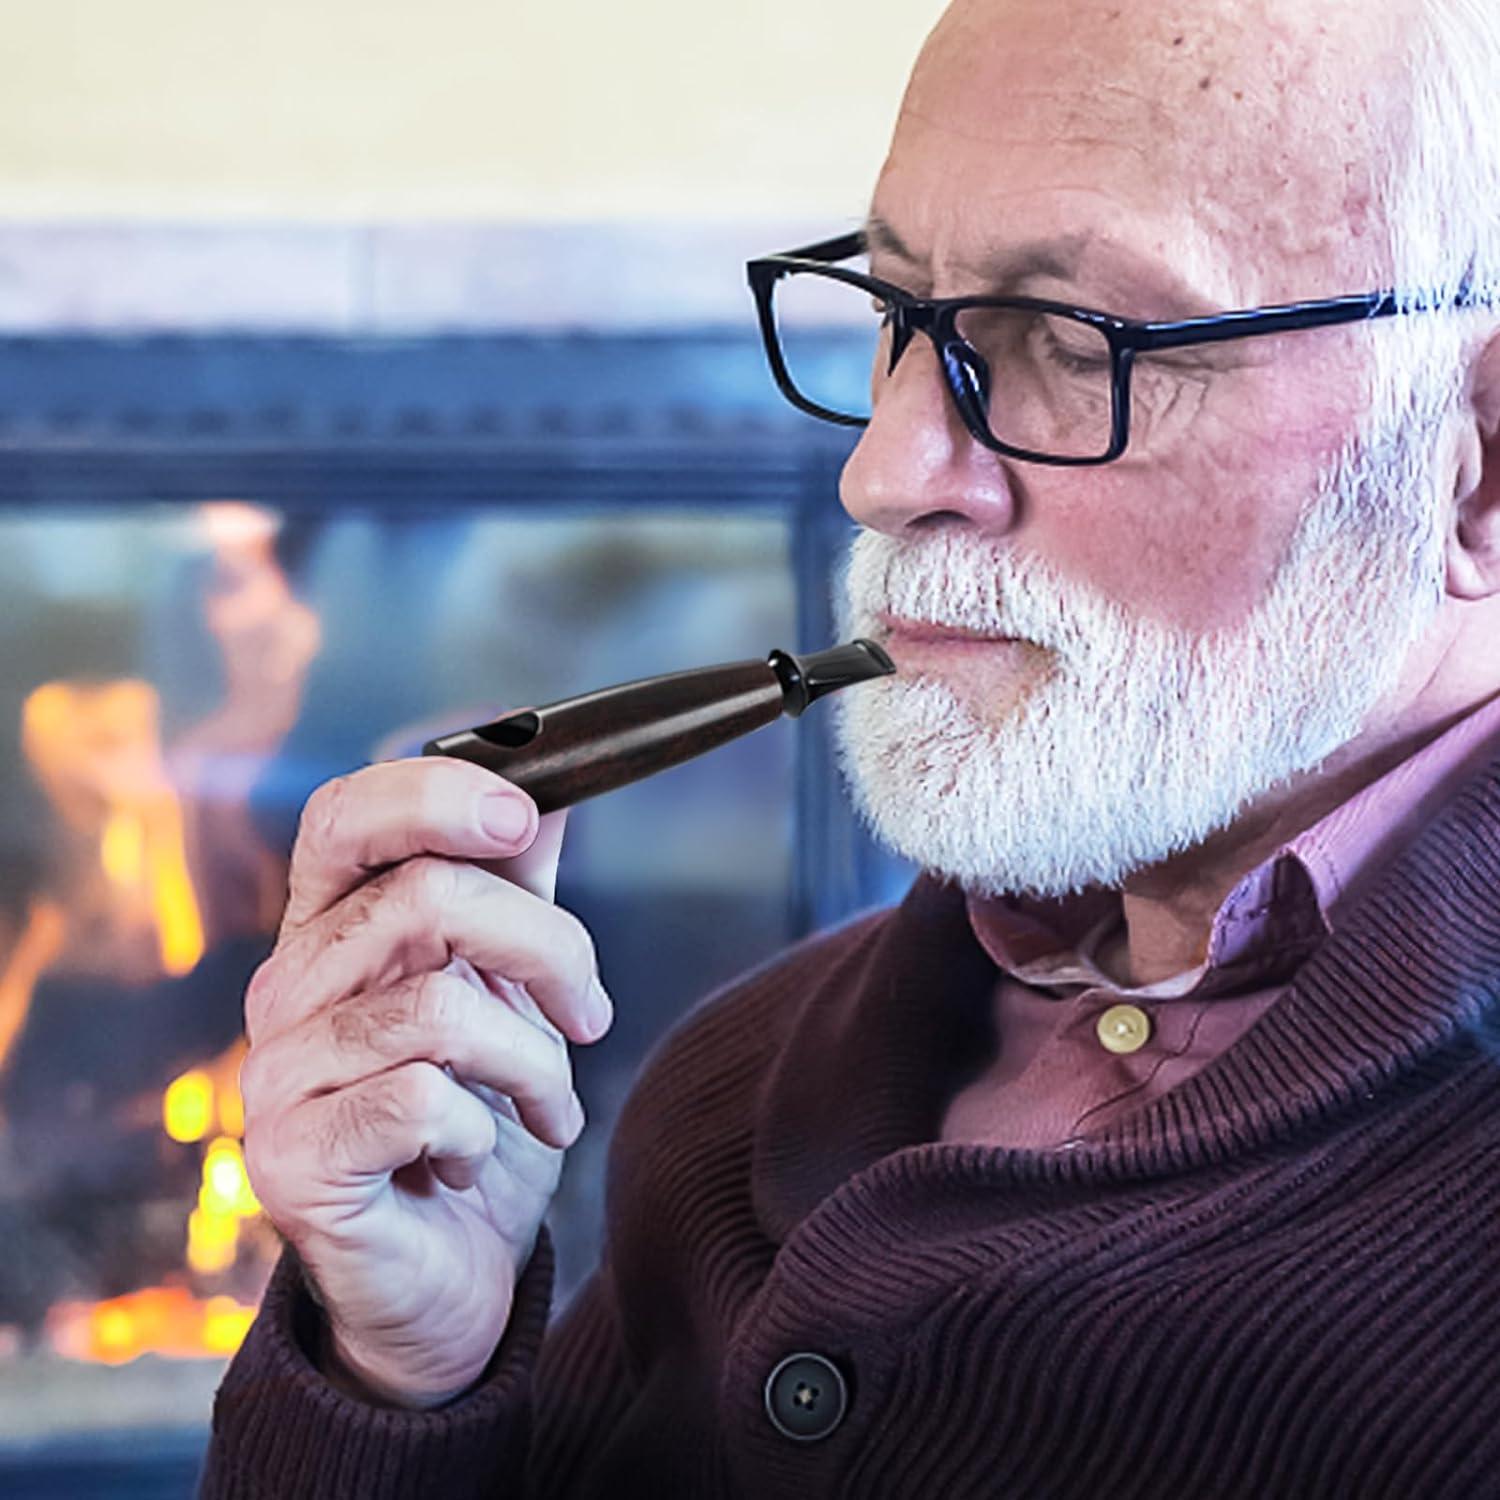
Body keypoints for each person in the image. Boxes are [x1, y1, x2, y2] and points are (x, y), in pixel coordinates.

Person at [198, 0, 1500, 1494]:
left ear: (1478, 463)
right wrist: (405, 1376)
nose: (883, 471)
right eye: (899, 314)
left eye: (1076, 341)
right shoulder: (728, 1092)